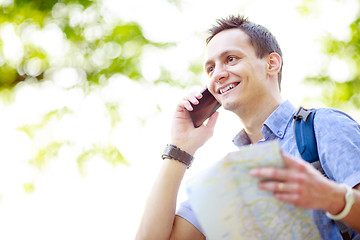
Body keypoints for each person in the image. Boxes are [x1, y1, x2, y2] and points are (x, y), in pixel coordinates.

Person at [135, 15, 360, 240]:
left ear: (271, 64)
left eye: (231, 59)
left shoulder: (322, 126)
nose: (218, 74)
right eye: (210, 69)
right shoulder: (227, 178)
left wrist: (330, 197)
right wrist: (180, 147)